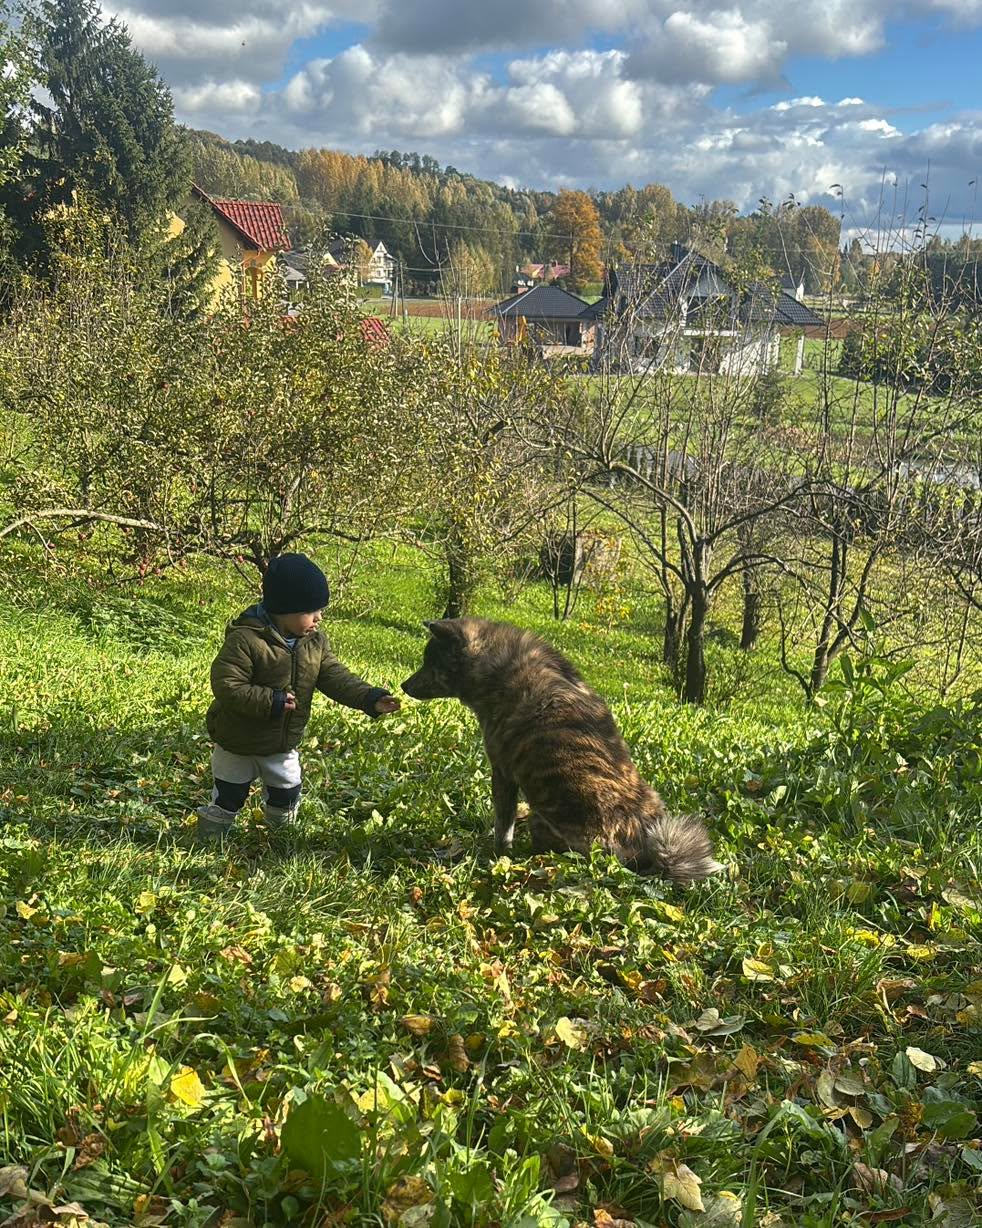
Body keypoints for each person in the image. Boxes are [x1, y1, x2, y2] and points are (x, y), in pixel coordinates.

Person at [196, 552, 400, 838]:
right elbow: (227, 684)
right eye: (311, 610)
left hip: (281, 745)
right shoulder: (246, 639)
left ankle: (281, 837)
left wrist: (369, 698)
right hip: (237, 741)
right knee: (228, 795)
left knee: (287, 792)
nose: (319, 617)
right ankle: (210, 838)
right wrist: (271, 700)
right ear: (285, 609)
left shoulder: (314, 643)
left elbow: (335, 676)